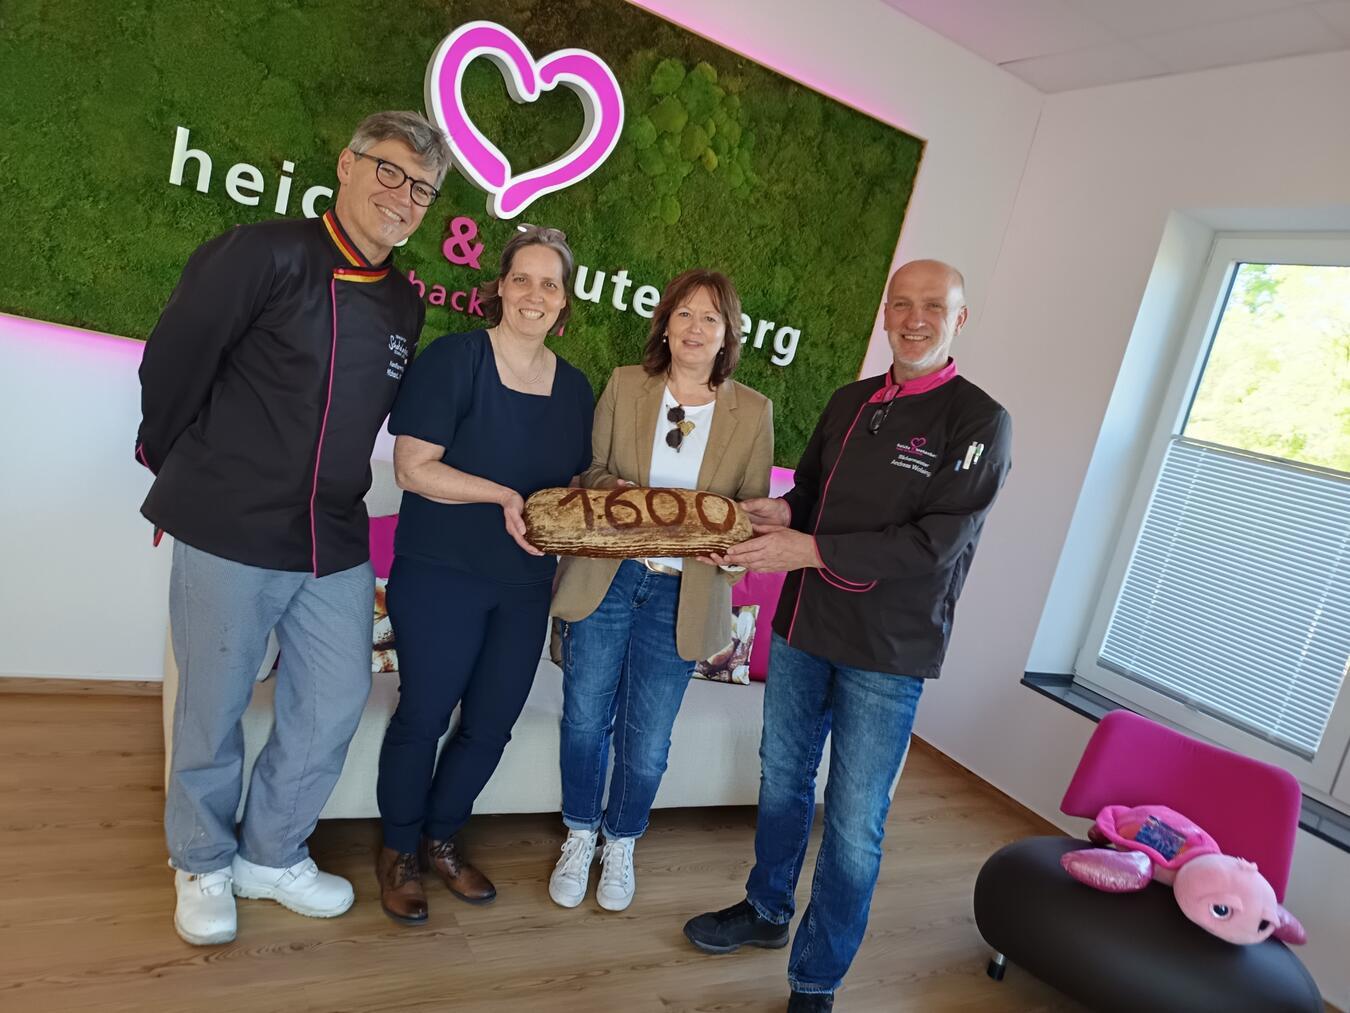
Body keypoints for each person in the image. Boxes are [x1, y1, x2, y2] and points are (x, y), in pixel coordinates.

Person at [137, 111, 451, 946]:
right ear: (346, 165)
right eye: (390, 171)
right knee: (214, 702)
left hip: (333, 534)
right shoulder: (262, 252)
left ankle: (268, 853)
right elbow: (174, 356)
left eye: (422, 188)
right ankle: (201, 858)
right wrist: (178, 469)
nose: (404, 197)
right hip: (230, 519)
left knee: (336, 696)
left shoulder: (405, 304)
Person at [682, 260, 1013, 1012]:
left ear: (960, 318)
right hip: (805, 627)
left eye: (934, 306)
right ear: (885, 314)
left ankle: (817, 979)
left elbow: (934, 545)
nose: (914, 317)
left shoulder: (980, 421)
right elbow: (811, 493)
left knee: (856, 823)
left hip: (887, 652)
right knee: (782, 782)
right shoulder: (852, 400)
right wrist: (778, 515)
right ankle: (767, 910)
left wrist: (809, 549)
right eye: (901, 303)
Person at [374, 226, 594, 924]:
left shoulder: (577, 388)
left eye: (549, 283)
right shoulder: (454, 359)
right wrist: (501, 496)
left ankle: (442, 837)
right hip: (442, 571)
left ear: (565, 301)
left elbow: (574, 485)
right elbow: (413, 467)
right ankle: (399, 849)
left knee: (492, 723)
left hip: (526, 584)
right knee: (425, 713)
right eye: (522, 278)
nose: (534, 294)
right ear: (499, 285)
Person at [546, 270, 773, 912]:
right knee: (586, 719)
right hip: (610, 579)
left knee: (647, 736)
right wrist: (611, 492)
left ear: (727, 333)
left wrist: (734, 545)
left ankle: (620, 841)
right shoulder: (625, 385)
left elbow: (749, 512)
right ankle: (579, 833)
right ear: (665, 323)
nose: (695, 328)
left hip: (684, 593)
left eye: (710, 318)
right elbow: (590, 471)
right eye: (684, 314)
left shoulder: (752, 412)